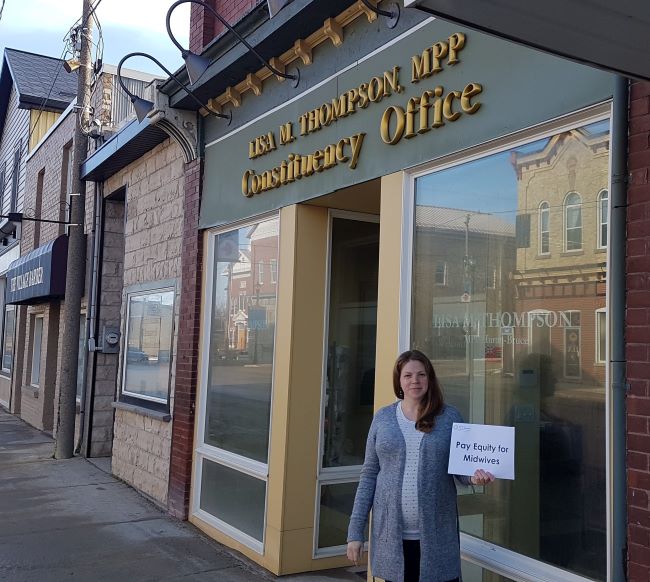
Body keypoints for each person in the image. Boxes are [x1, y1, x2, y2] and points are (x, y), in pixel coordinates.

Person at [346, 349, 494, 582]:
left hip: (437, 537)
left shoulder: (449, 417)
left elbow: (461, 469)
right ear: (399, 381)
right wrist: (355, 532)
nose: (415, 380)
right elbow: (369, 475)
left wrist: (474, 477)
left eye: (421, 375)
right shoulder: (383, 418)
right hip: (392, 538)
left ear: (429, 379)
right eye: (408, 375)